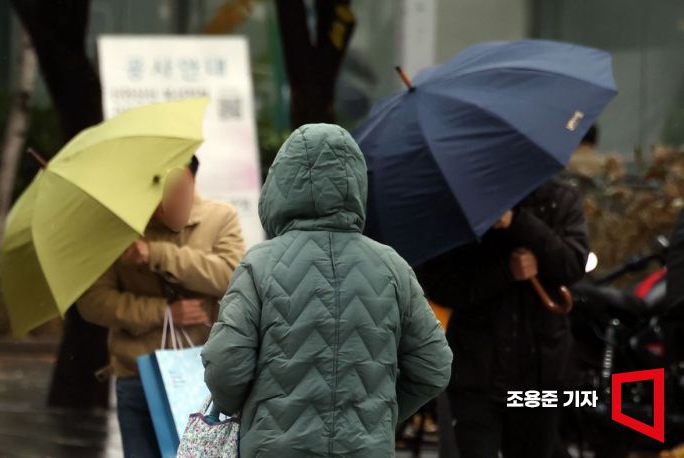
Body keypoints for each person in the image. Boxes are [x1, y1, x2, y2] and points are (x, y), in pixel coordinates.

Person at [201, 123, 453, 457]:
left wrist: (248, 411)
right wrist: (379, 417)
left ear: (281, 183)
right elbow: (434, 366)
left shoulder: (259, 265)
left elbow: (226, 363)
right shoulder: (393, 268)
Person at [77, 156, 245, 458]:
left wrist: (158, 255)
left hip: (204, 379)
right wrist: (164, 313)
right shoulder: (118, 229)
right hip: (138, 376)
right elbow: (93, 302)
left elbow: (233, 276)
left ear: (192, 181)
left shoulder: (220, 218)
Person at [415, 178, 589, 458]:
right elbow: (439, 284)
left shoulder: (559, 198)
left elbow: (572, 264)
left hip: (540, 370)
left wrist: (518, 222)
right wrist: (506, 272)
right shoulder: (458, 204)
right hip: (476, 373)